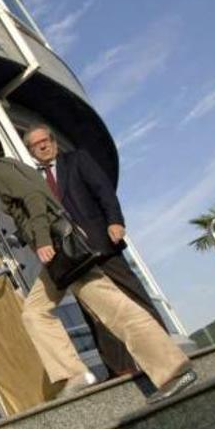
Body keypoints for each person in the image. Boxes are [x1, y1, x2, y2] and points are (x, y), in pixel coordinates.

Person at [0, 127, 196, 404]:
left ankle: (172, 369)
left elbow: (35, 200)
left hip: (61, 252)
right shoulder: (15, 165)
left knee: (114, 310)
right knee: (36, 313)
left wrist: (44, 240)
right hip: (63, 252)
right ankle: (75, 375)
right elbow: (38, 198)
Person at [23, 124, 170, 377]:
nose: (43, 146)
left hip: (103, 243)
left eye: (46, 140)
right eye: (37, 144)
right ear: (31, 150)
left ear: (54, 141)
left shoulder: (78, 159)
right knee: (96, 311)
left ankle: (165, 351)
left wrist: (115, 221)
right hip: (74, 256)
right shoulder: (36, 182)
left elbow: (104, 191)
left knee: (132, 296)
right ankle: (120, 369)